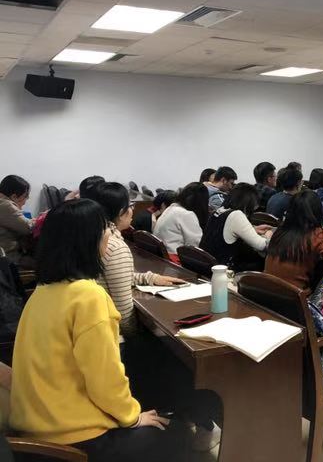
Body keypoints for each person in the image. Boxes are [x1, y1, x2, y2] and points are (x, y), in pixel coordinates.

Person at [10, 199, 184, 461]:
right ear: (88, 241)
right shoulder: (89, 296)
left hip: (33, 425)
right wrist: (133, 417)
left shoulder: (42, 291)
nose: (110, 235)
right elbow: (104, 378)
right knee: (175, 434)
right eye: (106, 229)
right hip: (72, 434)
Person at [87, 182, 184, 337]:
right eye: (130, 205)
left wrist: (150, 278)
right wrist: (137, 339)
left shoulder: (94, 234)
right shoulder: (116, 247)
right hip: (110, 334)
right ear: (121, 212)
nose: (133, 209)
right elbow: (124, 313)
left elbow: (113, 276)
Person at [265, 190, 323, 290]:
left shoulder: (280, 231)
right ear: (319, 211)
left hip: (263, 289)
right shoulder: (319, 236)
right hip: (295, 295)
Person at [200, 183, 271, 272]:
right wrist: (268, 235)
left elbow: (227, 230)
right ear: (249, 203)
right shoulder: (237, 215)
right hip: (224, 269)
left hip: (208, 265)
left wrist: (253, 229)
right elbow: (261, 245)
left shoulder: (219, 211)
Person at [153, 182, 209, 262]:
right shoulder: (187, 214)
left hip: (161, 256)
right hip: (174, 259)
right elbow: (195, 247)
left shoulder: (171, 208)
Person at [0, 175, 33, 263]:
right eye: (25, 196)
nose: (26, 200)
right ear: (14, 196)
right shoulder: (6, 205)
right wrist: (42, 219)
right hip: (8, 258)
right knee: (47, 263)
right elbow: (28, 228)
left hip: (5, 254)